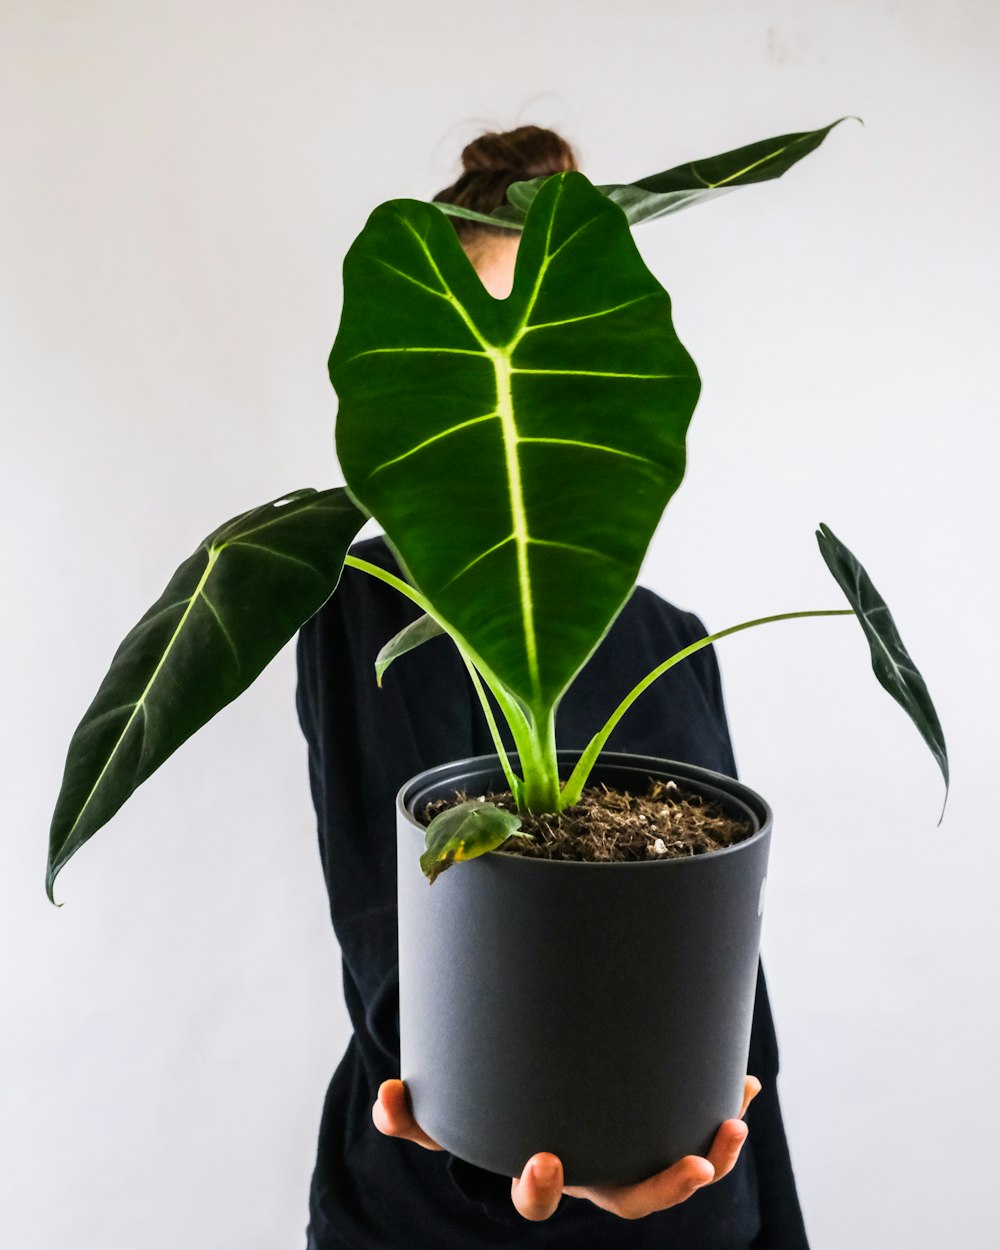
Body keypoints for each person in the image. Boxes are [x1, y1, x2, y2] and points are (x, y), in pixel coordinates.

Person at [296, 124, 810, 1248]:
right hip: (435, 1203)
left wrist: (736, 1188)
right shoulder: (365, 601)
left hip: (681, 1195)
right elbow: (399, 925)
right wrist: (519, 1139)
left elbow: (725, 963)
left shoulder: (673, 640)